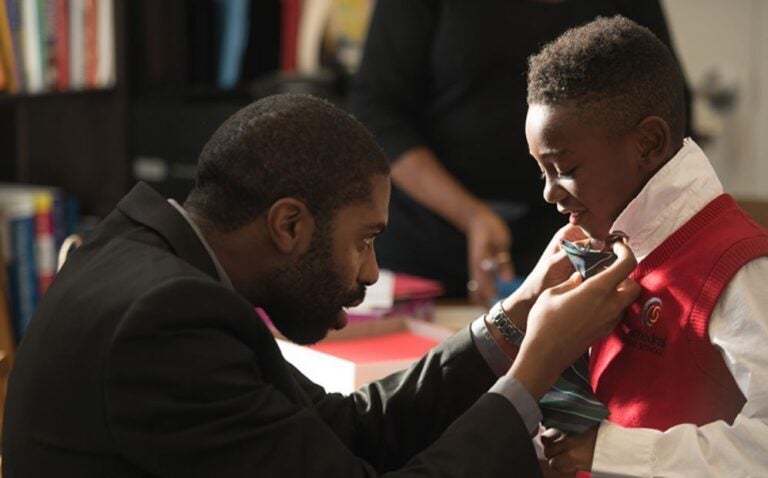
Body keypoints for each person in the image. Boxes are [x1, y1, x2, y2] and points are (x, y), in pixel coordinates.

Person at [2, 93, 640, 477]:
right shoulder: (167, 324)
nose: (369, 271)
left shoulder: (157, 263)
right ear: (289, 225)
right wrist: (532, 373)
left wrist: (514, 317)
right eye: (364, 239)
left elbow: (349, 429)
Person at [524, 16, 768, 476]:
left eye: (565, 168)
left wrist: (604, 449)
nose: (548, 193)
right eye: (542, 172)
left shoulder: (742, 270)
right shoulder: (599, 251)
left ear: (649, 144)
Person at [348, 0, 689, 305]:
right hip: (426, 251)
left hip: (572, 243)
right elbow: (377, 113)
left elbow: (665, 100)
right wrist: (471, 216)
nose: (550, 186)